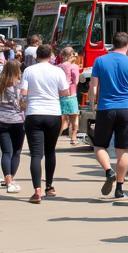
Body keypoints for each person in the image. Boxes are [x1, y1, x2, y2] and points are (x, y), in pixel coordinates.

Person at [90, 32, 128, 201]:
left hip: (106, 108)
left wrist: (93, 104)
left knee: (99, 145)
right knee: (123, 150)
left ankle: (108, 170)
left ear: (112, 44)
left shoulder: (100, 61)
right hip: (127, 109)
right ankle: (119, 189)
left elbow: (93, 87)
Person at [23, 44, 70, 203]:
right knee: (50, 151)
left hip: (34, 113)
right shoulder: (58, 71)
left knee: (36, 154)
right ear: (51, 56)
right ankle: (49, 186)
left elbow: (23, 93)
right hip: (53, 114)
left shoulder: (29, 70)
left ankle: (37, 190)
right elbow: (65, 93)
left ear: (37, 56)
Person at [0, 60, 27, 194]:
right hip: (18, 121)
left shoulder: (1, 84)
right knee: (16, 151)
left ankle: (8, 179)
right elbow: (23, 105)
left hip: (2, 120)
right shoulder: (21, 85)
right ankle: (11, 180)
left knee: (6, 152)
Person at [58, 46, 81, 144]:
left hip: (60, 94)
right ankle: (74, 137)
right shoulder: (74, 67)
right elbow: (76, 81)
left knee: (61, 118)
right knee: (74, 116)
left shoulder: (58, 67)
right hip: (71, 94)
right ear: (72, 54)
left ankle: (54, 138)